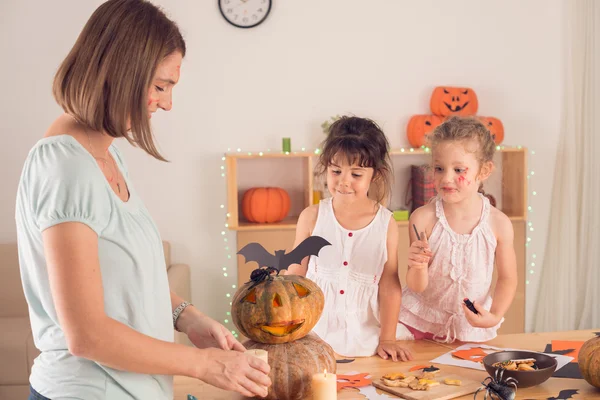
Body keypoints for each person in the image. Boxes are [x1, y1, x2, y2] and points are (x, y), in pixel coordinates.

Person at [15, 1, 270, 399]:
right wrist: (205, 365)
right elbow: (87, 335)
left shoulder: (107, 155)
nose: (167, 103)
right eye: (160, 85)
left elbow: (126, 281)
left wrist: (188, 318)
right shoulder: (66, 166)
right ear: (119, 73)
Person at [288, 116, 414, 361]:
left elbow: (389, 284)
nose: (343, 181)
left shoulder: (385, 223)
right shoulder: (312, 217)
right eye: (336, 171)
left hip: (367, 339)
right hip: (313, 335)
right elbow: (295, 274)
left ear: (375, 175)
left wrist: (387, 338)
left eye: (356, 174)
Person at [400, 116, 518, 343]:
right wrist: (416, 265)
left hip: (470, 327)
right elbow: (417, 286)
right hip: (418, 325)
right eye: (439, 168)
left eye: (458, 169)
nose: (447, 178)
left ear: (484, 171)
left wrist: (494, 316)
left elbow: (507, 278)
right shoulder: (422, 219)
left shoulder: (498, 223)